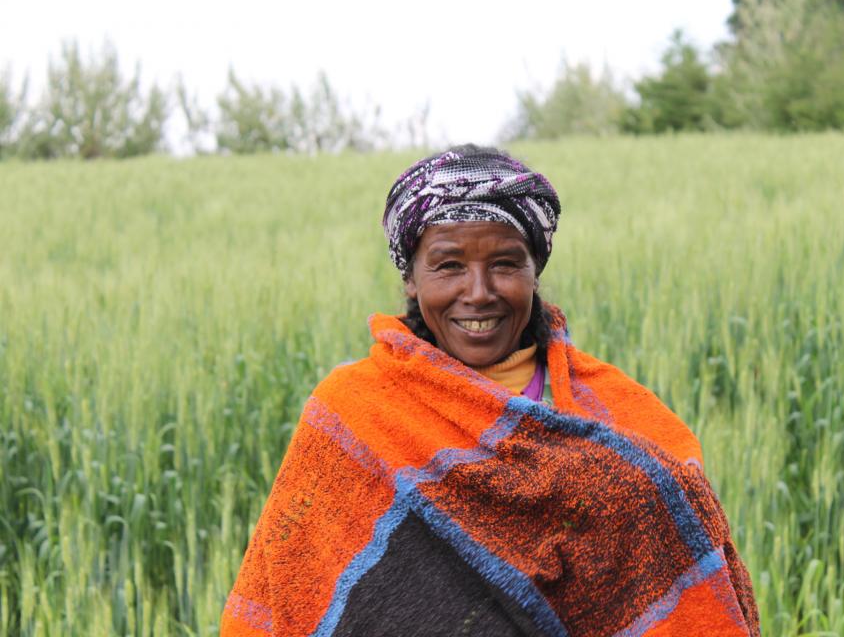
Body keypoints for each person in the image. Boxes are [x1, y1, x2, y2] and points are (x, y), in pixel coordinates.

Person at [221, 145, 760, 636]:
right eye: (448, 265)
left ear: (534, 271)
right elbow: (291, 594)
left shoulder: (617, 415)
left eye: (504, 264)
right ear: (411, 278)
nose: (477, 294)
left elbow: (687, 584)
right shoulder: (353, 411)